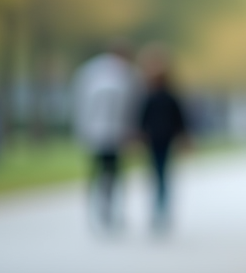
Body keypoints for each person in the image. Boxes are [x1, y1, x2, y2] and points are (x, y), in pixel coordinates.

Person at [72, 42, 140, 231]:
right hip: (101, 133)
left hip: (113, 133)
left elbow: (131, 107)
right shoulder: (98, 73)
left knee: (112, 174)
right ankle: (101, 209)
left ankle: (109, 209)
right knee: (102, 173)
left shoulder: (126, 75)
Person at [138, 53, 188, 232]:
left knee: (160, 174)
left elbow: (179, 119)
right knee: (159, 174)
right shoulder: (153, 97)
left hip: (164, 139)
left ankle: (161, 209)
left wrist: (183, 137)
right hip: (156, 140)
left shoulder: (167, 97)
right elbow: (142, 120)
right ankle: (159, 209)